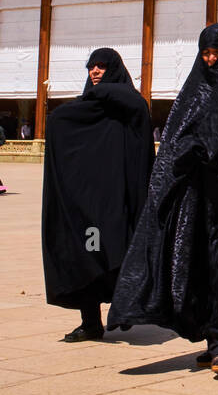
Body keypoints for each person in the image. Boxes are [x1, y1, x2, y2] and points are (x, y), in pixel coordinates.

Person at [109, 23, 218, 379]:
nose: (212, 59)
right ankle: (214, 339)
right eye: (206, 53)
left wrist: (213, 152)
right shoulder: (196, 90)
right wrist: (183, 159)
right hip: (199, 201)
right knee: (201, 267)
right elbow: (176, 139)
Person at [43, 48, 154, 342]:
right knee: (85, 255)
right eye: (91, 67)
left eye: (102, 66)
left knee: (118, 251)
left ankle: (127, 308)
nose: (94, 71)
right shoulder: (86, 107)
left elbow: (137, 108)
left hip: (118, 197)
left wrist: (103, 92)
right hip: (86, 200)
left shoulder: (127, 102)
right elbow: (61, 121)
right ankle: (90, 321)